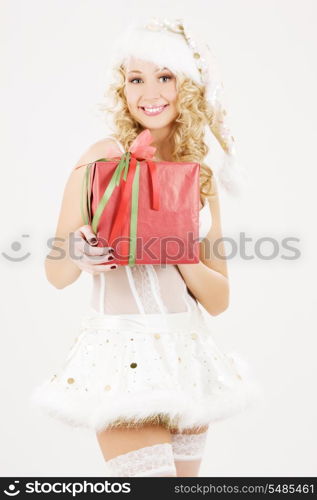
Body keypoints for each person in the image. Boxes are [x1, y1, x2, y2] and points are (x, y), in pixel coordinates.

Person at [30, 17, 259, 477]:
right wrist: (77, 253)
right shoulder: (102, 156)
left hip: (187, 358)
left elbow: (219, 300)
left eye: (165, 77)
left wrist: (179, 252)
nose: (149, 92)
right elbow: (56, 275)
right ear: (123, 89)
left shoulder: (201, 175)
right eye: (136, 79)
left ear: (188, 87)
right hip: (120, 356)